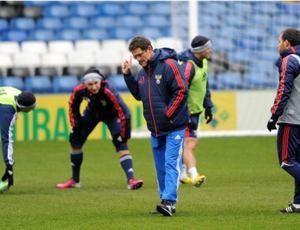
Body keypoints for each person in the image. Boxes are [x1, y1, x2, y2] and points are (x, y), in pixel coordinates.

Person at [122, 37, 189, 216]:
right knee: (160, 166)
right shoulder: (143, 73)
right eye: (135, 57)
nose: (138, 60)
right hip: (156, 129)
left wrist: (168, 114)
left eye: (140, 55)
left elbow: (182, 90)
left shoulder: (169, 65)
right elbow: (138, 95)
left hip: (174, 126)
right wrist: (128, 75)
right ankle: (164, 201)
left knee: (170, 163)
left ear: (149, 49)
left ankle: (169, 202)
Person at [56, 68, 143, 190]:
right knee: (75, 141)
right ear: (85, 84)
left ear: (100, 81)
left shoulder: (109, 90)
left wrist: (124, 134)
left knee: (121, 144)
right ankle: (75, 181)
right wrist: (75, 126)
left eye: (96, 83)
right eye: (90, 85)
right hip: (92, 114)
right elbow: (73, 105)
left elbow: (125, 112)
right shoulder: (80, 90)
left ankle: (131, 180)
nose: (94, 87)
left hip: (112, 116)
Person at [267, 28, 300, 213]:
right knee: (298, 161)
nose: (277, 44)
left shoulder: (290, 60)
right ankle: (298, 203)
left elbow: (284, 90)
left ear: (287, 43)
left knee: (287, 161)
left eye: (279, 40)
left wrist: (274, 115)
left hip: (292, 119)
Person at [178, 35, 214, 187]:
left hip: (195, 112)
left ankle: (182, 174)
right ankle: (194, 175)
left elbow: (204, 86)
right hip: (185, 112)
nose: (210, 50)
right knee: (190, 143)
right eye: (208, 48)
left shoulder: (203, 62)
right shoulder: (188, 66)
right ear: (200, 50)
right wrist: (183, 113)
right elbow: (180, 91)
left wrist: (208, 106)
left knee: (185, 144)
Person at [0, 87, 36, 193]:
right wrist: (9, 166)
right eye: (31, 108)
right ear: (24, 108)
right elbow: (7, 140)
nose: (32, 110)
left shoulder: (18, 93)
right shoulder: (7, 111)